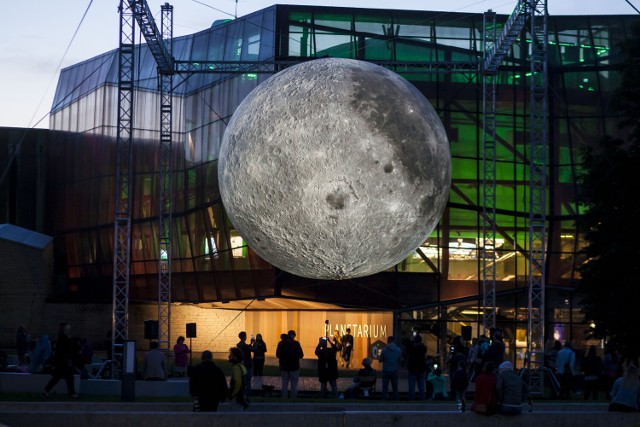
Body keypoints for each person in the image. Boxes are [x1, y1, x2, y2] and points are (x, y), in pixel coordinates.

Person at [43, 322, 79, 398]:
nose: (69, 326)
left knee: (60, 377)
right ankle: (71, 393)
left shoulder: (64, 337)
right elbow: (64, 348)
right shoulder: (63, 337)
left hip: (62, 361)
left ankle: (47, 390)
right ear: (64, 328)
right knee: (66, 376)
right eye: (67, 325)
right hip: (62, 361)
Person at [276, 330, 304, 399]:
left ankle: (284, 398)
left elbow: (278, 354)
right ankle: (293, 398)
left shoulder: (281, 343)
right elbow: (301, 355)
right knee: (294, 385)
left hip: (284, 367)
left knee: (284, 384)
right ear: (293, 336)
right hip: (294, 367)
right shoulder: (296, 343)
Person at [379, 336, 401, 400]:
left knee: (385, 386)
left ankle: (384, 398)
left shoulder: (384, 349)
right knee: (395, 386)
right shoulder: (398, 350)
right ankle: (396, 398)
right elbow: (399, 360)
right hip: (394, 369)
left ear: (388, 341)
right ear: (394, 341)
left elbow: (380, 360)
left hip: (386, 369)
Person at [406, 333, 427, 400]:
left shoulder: (412, 348)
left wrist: (411, 341)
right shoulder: (423, 348)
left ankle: (411, 398)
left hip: (413, 368)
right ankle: (422, 398)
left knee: (412, 385)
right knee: (421, 385)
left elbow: (407, 350)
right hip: (421, 368)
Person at [237, 331, 253, 398]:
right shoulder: (244, 345)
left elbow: (247, 347)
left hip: (242, 364)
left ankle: (244, 391)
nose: (246, 337)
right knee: (248, 379)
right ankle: (248, 392)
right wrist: (253, 344)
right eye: (245, 336)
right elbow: (250, 349)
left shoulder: (239, 345)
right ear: (244, 337)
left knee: (244, 379)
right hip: (247, 364)